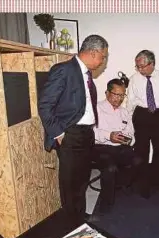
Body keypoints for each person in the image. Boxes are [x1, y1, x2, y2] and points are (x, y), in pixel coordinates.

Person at [38, 34, 109, 220]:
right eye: (103, 56)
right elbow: (45, 105)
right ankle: (70, 223)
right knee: (70, 184)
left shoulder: (86, 74)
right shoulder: (64, 70)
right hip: (70, 134)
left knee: (82, 180)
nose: (103, 61)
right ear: (93, 53)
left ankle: (79, 217)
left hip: (86, 134)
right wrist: (58, 132)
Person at [92, 78, 147, 212]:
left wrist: (127, 139)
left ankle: (119, 185)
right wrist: (109, 135)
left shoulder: (124, 112)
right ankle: (106, 201)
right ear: (107, 93)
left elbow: (131, 132)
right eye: (116, 94)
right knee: (110, 168)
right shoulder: (96, 109)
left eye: (122, 95)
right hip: (101, 147)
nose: (120, 98)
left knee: (138, 161)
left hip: (120, 147)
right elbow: (91, 132)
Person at [127, 50, 159, 193]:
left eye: (142, 66)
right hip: (141, 115)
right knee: (141, 151)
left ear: (152, 63)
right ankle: (142, 184)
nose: (139, 69)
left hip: (158, 116)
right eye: (137, 66)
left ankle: (156, 181)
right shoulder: (134, 79)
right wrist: (129, 123)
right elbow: (130, 102)